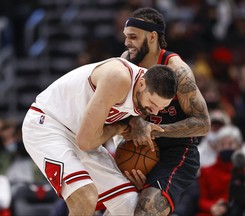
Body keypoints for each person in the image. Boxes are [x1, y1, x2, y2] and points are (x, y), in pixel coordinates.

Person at [21, 57, 178, 216]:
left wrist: (129, 164)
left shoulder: (146, 95)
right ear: (142, 84)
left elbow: (117, 128)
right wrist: (119, 128)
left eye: (162, 107)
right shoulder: (118, 78)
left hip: (82, 134)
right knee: (85, 197)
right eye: (153, 103)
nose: (155, 111)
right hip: (48, 124)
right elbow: (85, 142)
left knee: (130, 206)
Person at [121, 7, 210, 215]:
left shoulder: (179, 72)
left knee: (146, 210)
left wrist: (154, 129)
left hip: (177, 151)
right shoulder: (126, 61)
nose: (126, 43)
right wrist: (135, 125)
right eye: (126, 37)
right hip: (138, 148)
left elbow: (203, 123)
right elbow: (120, 111)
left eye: (133, 37)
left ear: (152, 37)